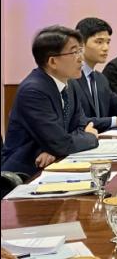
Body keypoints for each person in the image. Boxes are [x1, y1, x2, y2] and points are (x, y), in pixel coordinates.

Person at [1, 26, 98, 175]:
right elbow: (61, 143)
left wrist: (54, 149)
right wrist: (90, 136)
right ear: (53, 61)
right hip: (25, 172)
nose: (81, 58)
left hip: (57, 163)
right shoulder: (33, 91)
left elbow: (81, 124)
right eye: (74, 52)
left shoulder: (71, 84)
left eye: (80, 50)